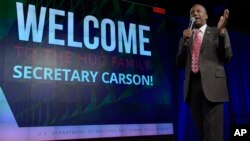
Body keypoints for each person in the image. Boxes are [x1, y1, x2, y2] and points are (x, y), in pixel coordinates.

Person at [176, 4, 233, 141]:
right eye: (192, 12)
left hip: (212, 86)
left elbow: (227, 56)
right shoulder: (186, 37)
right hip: (192, 88)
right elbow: (179, 63)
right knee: (202, 133)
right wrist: (184, 43)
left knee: (214, 134)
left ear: (206, 16)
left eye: (198, 11)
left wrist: (221, 33)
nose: (195, 13)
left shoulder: (216, 31)